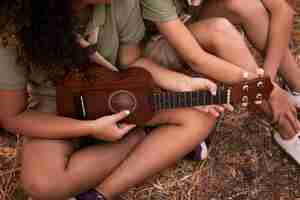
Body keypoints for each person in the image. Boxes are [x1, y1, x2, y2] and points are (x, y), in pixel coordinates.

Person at [0, 0, 223, 199]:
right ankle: (143, 137)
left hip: (118, 89)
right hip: (57, 106)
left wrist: (182, 83)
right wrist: (89, 128)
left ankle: (99, 194)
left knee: (202, 115)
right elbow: (13, 116)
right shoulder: (12, 28)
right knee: (41, 183)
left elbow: (131, 60)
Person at [140, 0, 300, 164]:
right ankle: (289, 129)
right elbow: (196, 58)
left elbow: (282, 10)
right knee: (219, 30)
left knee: (244, 5)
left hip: (188, 21)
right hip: (154, 46)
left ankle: (297, 90)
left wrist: (268, 79)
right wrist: (266, 89)